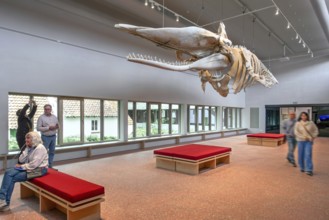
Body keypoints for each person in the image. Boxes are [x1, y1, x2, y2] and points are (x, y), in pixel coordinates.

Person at [0, 131, 48, 212]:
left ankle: (3, 201)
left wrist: (21, 166)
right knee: (8, 173)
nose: (26, 140)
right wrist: (26, 149)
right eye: (26, 138)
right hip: (29, 167)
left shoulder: (40, 148)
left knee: (12, 177)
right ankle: (3, 201)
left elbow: (34, 165)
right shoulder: (30, 147)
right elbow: (21, 159)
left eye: (28, 138)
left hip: (40, 170)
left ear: (34, 138)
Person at [294, 112, 319, 176]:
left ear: (307, 116)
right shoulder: (298, 123)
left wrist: (313, 136)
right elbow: (296, 132)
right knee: (300, 155)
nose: (303, 117)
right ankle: (302, 167)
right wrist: (304, 137)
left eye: (305, 116)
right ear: (300, 117)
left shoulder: (311, 123)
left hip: (309, 141)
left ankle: (309, 169)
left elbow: (316, 130)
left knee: (308, 154)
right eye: (302, 116)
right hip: (300, 141)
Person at [37, 104, 59, 168]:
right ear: (44, 110)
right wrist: (48, 128)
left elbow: (58, 126)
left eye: (48, 109)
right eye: (46, 109)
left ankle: (50, 166)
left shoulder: (54, 117)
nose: (47, 110)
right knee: (43, 153)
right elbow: (38, 128)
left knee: (52, 152)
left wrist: (56, 127)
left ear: (50, 110)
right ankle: (43, 166)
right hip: (45, 137)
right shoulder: (41, 117)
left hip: (53, 137)